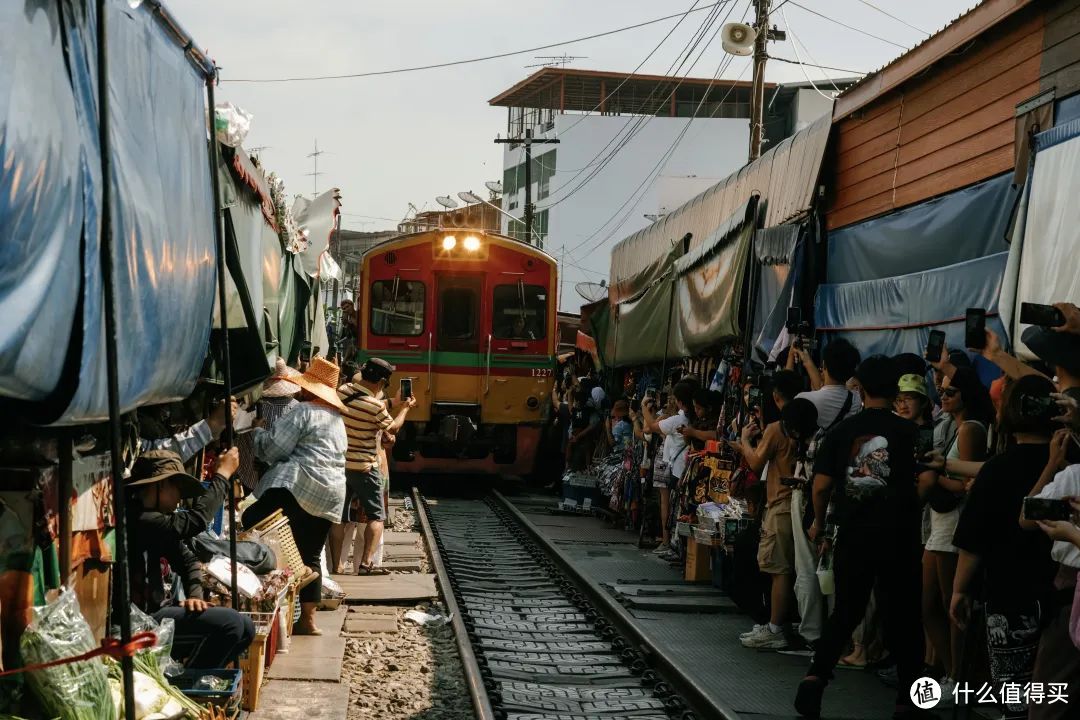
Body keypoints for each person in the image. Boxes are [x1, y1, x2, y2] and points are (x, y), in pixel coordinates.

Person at [795, 356, 936, 720]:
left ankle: (815, 678)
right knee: (904, 620)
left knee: (845, 613)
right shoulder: (910, 433)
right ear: (893, 391)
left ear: (862, 388)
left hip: (854, 537)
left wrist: (821, 525)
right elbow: (925, 480)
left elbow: (822, 486)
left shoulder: (841, 431)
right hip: (899, 540)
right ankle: (910, 701)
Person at [950, 375, 1058, 719]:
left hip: (1009, 593)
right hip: (1060, 594)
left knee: (1015, 695)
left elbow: (973, 541)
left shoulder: (997, 470)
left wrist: (959, 590)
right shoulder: (1068, 465)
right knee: (1058, 694)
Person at [244, 357, 349, 636]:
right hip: (333, 494)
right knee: (310, 553)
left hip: (301, 485)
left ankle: (266, 598)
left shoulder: (303, 411)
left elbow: (272, 448)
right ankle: (308, 621)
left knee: (251, 519)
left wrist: (256, 432)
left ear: (310, 389)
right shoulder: (337, 419)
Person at [126, 449, 255, 668]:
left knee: (246, 626)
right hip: (138, 623)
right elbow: (196, 521)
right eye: (177, 488)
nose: (179, 498)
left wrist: (194, 595)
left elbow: (188, 561)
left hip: (159, 612)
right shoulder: (140, 518)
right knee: (231, 623)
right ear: (160, 485)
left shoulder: (159, 521)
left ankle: (194, 674)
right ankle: (190, 683)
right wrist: (222, 476)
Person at [923, 367, 991, 690]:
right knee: (930, 603)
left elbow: (967, 486)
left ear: (966, 395)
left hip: (954, 524)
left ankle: (959, 678)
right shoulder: (952, 426)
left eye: (950, 392)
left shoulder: (970, 430)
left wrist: (935, 475)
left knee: (952, 605)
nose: (943, 396)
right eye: (942, 391)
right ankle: (952, 672)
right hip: (939, 524)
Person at [729, 375, 799, 650]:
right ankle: (777, 623)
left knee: (776, 568)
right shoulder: (804, 422)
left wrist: (744, 442)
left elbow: (756, 463)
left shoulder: (777, 427)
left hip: (779, 504)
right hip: (795, 503)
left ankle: (774, 628)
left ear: (776, 398)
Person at [332, 358, 415, 575]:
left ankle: (336, 565)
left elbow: (364, 405)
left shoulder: (343, 390)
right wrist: (405, 408)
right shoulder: (375, 407)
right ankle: (366, 564)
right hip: (365, 468)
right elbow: (393, 428)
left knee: (339, 518)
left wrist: (391, 402)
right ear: (380, 382)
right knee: (376, 516)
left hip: (340, 465)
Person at [642, 380, 696, 555]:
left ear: (679, 401)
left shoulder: (677, 420)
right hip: (686, 467)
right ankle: (675, 545)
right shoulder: (691, 418)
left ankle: (670, 543)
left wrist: (644, 408)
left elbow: (649, 428)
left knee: (671, 505)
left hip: (676, 467)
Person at [789, 338, 863, 429]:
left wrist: (790, 356)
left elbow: (824, 390)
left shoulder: (803, 400)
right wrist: (807, 361)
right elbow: (825, 388)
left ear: (824, 365)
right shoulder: (858, 400)